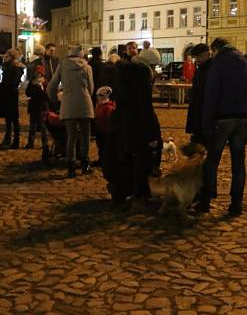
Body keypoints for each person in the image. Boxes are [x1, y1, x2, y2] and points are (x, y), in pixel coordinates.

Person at [196, 38, 247, 217]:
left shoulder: (218, 65)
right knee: (238, 163)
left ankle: (205, 201)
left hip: (222, 119)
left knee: (212, 161)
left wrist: (206, 123)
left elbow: (211, 95)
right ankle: (236, 204)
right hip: (243, 119)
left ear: (216, 49)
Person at [104, 61, 161, 210]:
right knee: (142, 161)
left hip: (123, 128)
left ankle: (120, 190)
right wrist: (152, 137)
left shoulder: (122, 87)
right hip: (138, 132)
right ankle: (139, 197)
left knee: (124, 158)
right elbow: (146, 115)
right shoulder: (141, 93)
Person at [47, 44, 95, 177]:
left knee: (71, 137)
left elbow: (52, 85)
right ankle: (85, 165)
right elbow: (91, 88)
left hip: (68, 103)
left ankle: (71, 167)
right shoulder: (87, 67)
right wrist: (86, 96)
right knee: (85, 136)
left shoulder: (63, 66)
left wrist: (54, 99)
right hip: (84, 103)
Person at [0, 49, 25, 149]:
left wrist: (2, 85)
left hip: (10, 95)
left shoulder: (15, 68)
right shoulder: (7, 66)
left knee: (13, 118)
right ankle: (8, 139)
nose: (5, 56)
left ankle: (15, 141)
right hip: (7, 94)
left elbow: (13, 82)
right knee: (8, 119)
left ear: (11, 57)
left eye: (7, 55)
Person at [185, 43, 212, 146]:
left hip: (206, 108)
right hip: (198, 106)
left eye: (199, 57)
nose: (197, 60)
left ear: (207, 54)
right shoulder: (200, 68)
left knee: (205, 138)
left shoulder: (212, 68)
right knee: (198, 135)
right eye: (195, 57)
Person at [25, 66, 50, 162]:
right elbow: (28, 93)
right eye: (36, 72)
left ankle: (45, 143)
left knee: (43, 126)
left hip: (42, 106)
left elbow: (46, 95)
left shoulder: (44, 82)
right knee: (32, 125)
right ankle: (30, 142)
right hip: (33, 106)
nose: (37, 74)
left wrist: (40, 89)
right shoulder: (32, 82)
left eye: (39, 72)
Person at [93, 86, 115, 167]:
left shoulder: (108, 107)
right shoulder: (100, 105)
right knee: (101, 147)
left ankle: (105, 161)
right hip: (100, 130)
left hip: (104, 131)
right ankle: (102, 160)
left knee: (104, 147)